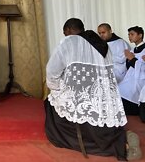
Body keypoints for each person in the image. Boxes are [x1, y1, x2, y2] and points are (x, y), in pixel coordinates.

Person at [45, 18, 140, 160]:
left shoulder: (69, 42)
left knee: (52, 103)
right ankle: (123, 138)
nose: (65, 35)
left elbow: (52, 71)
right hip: (104, 98)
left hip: (79, 96)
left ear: (68, 30)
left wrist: (57, 88)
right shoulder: (102, 43)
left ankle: (121, 146)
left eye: (65, 32)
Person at [118, 26, 145, 115]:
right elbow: (129, 67)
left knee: (127, 90)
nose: (130, 36)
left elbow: (142, 68)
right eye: (129, 34)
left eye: (132, 34)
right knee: (119, 88)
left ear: (140, 35)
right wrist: (129, 59)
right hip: (131, 76)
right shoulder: (133, 50)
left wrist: (132, 59)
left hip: (141, 78)